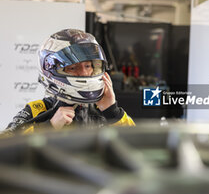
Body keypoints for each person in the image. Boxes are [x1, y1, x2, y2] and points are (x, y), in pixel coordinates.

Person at [6, 29, 135, 134]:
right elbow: (6, 147)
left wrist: (112, 111)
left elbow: (136, 145)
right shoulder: (37, 109)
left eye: (88, 66)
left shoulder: (106, 112)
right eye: (73, 68)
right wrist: (49, 127)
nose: (84, 73)